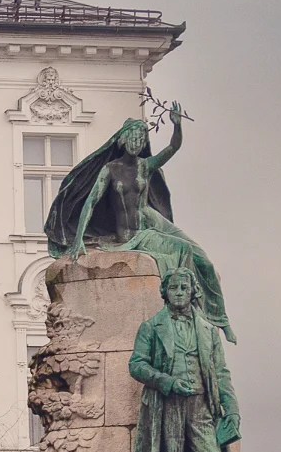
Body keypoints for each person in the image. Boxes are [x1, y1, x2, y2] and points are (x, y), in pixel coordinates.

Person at [44, 106, 235, 342]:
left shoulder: (145, 166)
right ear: (123, 140)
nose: (137, 142)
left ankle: (220, 319)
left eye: (141, 138)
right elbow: (91, 202)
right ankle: (186, 312)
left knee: (203, 258)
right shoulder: (110, 169)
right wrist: (78, 240)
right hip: (134, 234)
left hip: (153, 221)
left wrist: (177, 125)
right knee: (182, 250)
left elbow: (173, 148)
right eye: (133, 137)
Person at [128, 266, 246, 452]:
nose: (179, 293)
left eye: (184, 288)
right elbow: (137, 364)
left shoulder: (208, 331)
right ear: (165, 293)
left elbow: (221, 372)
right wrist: (166, 381)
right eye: (173, 288)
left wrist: (232, 409)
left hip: (203, 407)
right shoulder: (151, 326)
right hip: (169, 406)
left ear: (193, 291)